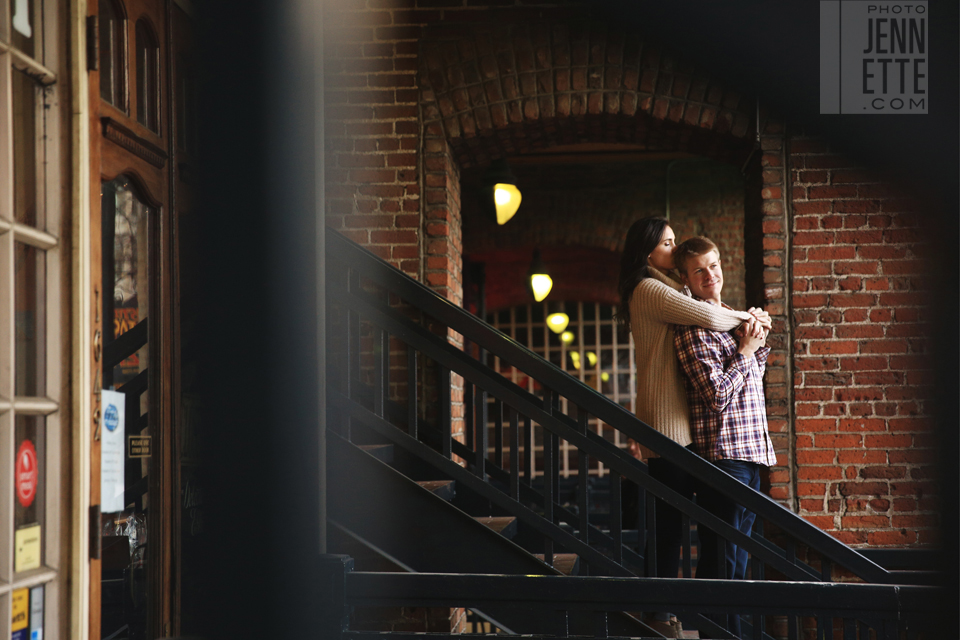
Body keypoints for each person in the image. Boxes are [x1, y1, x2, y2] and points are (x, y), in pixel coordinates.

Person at [616, 217, 770, 638]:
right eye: (667, 243)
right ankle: (660, 610)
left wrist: (748, 330)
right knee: (672, 523)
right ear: (650, 253)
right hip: (668, 425)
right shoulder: (652, 289)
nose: (674, 246)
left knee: (679, 523)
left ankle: (665, 608)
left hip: (676, 422)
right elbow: (708, 315)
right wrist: (751, 319)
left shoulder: (656, 288)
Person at [672, 236, 777, 639]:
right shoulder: (693, 328)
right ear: (685, 279)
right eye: (699, 270)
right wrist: (747, 350)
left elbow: (752, 381)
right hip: (723, 455)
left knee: (738, 558)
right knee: (722, 557)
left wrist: (756, 340)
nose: (709, 274)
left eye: (713, 265)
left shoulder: (731, 318)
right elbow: (717, 396)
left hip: (752, 450)